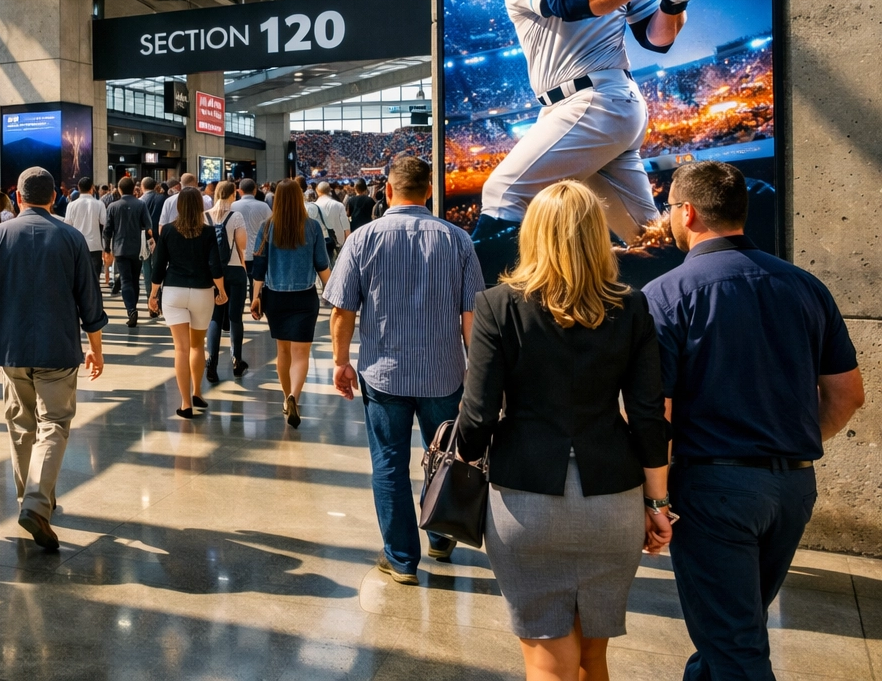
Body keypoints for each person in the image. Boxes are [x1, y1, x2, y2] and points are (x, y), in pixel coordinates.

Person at [643, 161, 864, 681]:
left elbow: (660, 412)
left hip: (713, 489)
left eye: (669, 208)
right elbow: (848, 395)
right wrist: (793, 440)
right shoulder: (807, 287)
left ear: (688, 212)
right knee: (733, 631)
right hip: (792, 486)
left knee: (736, 647)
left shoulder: (667, 295)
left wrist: (655, 497)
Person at [453, 180, 670, 681]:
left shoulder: (497, 305)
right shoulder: (631, 305)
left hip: (525, 500)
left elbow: (479, 415)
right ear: (598, 237)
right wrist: (657, 506)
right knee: (593, 659)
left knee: (547, 661)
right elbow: (646, 414)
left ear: (532, 235)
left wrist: (465, 456)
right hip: (613, 498)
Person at [471, 0, 691, 254]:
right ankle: (673, 300)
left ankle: (486, 310)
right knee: (649, 238)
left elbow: (656, 39)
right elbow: (568, 1)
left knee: (503, 194)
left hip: (599, 100)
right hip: (576, 110)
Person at [324, 156, 483, 582]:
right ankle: (441, 535)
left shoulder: (363, 239)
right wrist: (477, 375)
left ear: (388, 191)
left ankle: (400, 559)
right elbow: (472, 317)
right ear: (429, 191)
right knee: (447, 457)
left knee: (390, 465)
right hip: (443, 373)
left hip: (383, 374)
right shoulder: (458, 240)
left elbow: (342, 311)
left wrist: (342, 363)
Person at [0, 167, 106, 551]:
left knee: (20, 424)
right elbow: (89, 302)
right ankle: (37, 502)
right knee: (55, 424)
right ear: (53, 199)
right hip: (59, 348)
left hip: (12, 348)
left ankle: (28, 498)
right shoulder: (71, 237)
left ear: (18, 198)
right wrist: (96, 346)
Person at [249, 179, 329, 428]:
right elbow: (323, 266)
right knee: (301, 354)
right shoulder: (313, 227)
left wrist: (254, 298)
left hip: (275, 297)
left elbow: (259, 268)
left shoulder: (267, 226)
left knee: (282, 351)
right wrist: (334, 294)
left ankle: (286, 398)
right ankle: (295, 394)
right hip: (305, 297)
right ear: (299, 198)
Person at [150, 188, 227, 418]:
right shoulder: (209, 231)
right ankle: (197, 392)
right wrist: (221, 290)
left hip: (173, 292)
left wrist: (153, 295)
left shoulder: (169, 231)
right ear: (200, 206)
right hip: (202, 292)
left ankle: (185, 403)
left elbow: (158, 265)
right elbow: (215, 265)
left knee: (181, 349)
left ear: (180, 206)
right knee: (196, 346)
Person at [204, 181, 252, 382]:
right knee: (235, 318)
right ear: (233, 194)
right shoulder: (236, 216)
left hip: (213, 273)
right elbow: (242, 244)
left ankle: (212, 364)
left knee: (215, 317)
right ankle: (236, 361)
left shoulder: (205, 216)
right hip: (235, 271)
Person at [104, 176, 151, 329]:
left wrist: (106, 248)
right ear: (134, 189)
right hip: (137, 248)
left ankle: (131, 309)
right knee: (135, 279)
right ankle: (134, 306)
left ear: (119, 189)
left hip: (120, 248)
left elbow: (107, 230)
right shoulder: (141, 204)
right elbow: (147, 224)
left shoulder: (113, 206)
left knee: (126, 280)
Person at [63, 176, 109, 285]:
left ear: (78, 188)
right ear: (92, 188)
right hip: (95, 245)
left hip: (77, 246)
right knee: (94, 280)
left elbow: (67, 225)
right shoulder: (99, 204)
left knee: (78, 278)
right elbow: (105, 223)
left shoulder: (71, 205)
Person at [138, 177, 166, 318]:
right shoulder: (162, 199)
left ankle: (151, 302)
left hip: (145, 240)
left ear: (142, 186)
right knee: (159, 269)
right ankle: (160, 301)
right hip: (160, 239)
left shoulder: (140, 201)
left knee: (147, 270)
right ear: (155, 185)